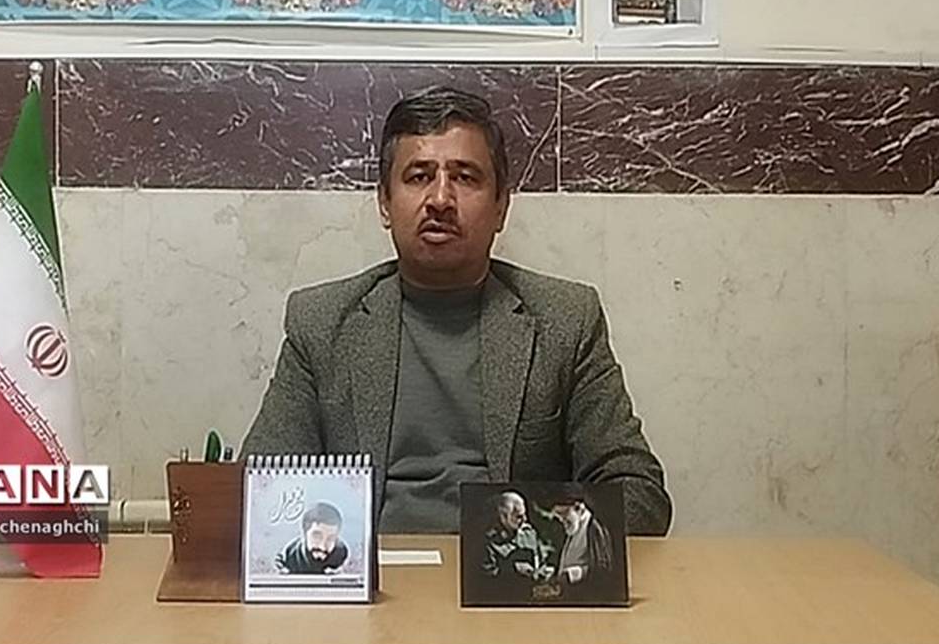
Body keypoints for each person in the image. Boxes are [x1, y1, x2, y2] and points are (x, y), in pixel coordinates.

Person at [241, 85, 673, 537]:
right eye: (419, 176)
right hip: (374, 572)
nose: (441, 200)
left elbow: (640, 495)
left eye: (465, 177)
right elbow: (258, 493)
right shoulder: (322, 323)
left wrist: (522, 541)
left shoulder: (564, 321)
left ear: (501, 207)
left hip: (507, 573)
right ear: (385, 203)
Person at [547, 485, 614, 594]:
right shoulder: (572, 528)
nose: (562, 520)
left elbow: (603, 568)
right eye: (558, 516)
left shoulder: (594, 528)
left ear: (579, 508)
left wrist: (571, 575)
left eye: (563, 514)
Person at [482, 491, 553, 587]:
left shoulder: (529, 534)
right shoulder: (488, 542)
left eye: (525, 514)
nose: (525, 519)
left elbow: (540, 561)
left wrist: (543, 572)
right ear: (503, 517)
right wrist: (513, 569)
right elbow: (484, 578)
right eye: (519, 516)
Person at [275, 501, 349, 574]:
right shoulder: (289, 556)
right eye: (317, 537)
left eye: (330, 539)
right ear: (305, 534)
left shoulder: (342, 555)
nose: (322, 547)